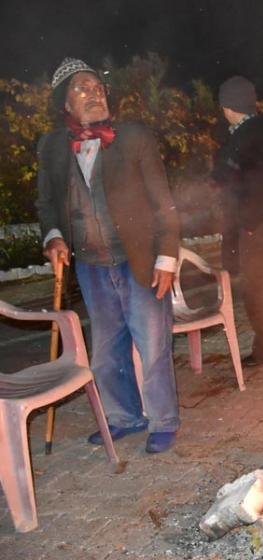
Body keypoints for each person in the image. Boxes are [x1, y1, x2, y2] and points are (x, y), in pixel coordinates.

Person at [36, 58, 181, 454]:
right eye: (82, 88)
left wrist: (167, 257)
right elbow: (46, 203)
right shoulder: (51, 147)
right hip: (90, 265)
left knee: (152, 346)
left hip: (139, 260)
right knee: (105, 351)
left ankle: (163, 420)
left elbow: (163, 202)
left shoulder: (133, 137)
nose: (94, 93)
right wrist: (53, 237)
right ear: (64, 104)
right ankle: (123, 418)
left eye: (98, 87)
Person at [213, 75, 263, 367]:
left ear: (228, 106)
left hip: (260, 223)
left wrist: (248, 221)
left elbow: (235, 177)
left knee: (257, 286)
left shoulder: (247, 135)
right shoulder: (262, 130)